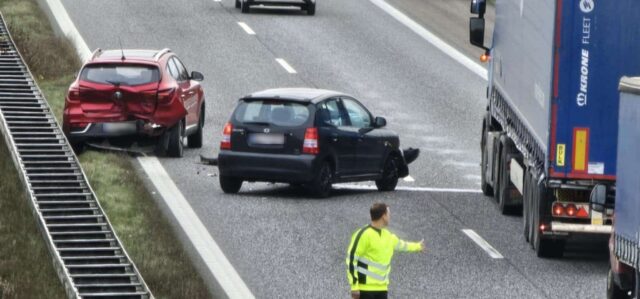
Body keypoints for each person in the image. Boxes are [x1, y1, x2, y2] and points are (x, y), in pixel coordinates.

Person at [345, 202, 424, 299]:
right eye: (389, 214)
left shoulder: (388, 236)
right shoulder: (363, 234)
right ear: (384, 216)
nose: (390, 217)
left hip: (382, 289)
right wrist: (354, 286)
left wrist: (418, 246)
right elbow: (351, 259)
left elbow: (402, 245)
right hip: (364, 289)